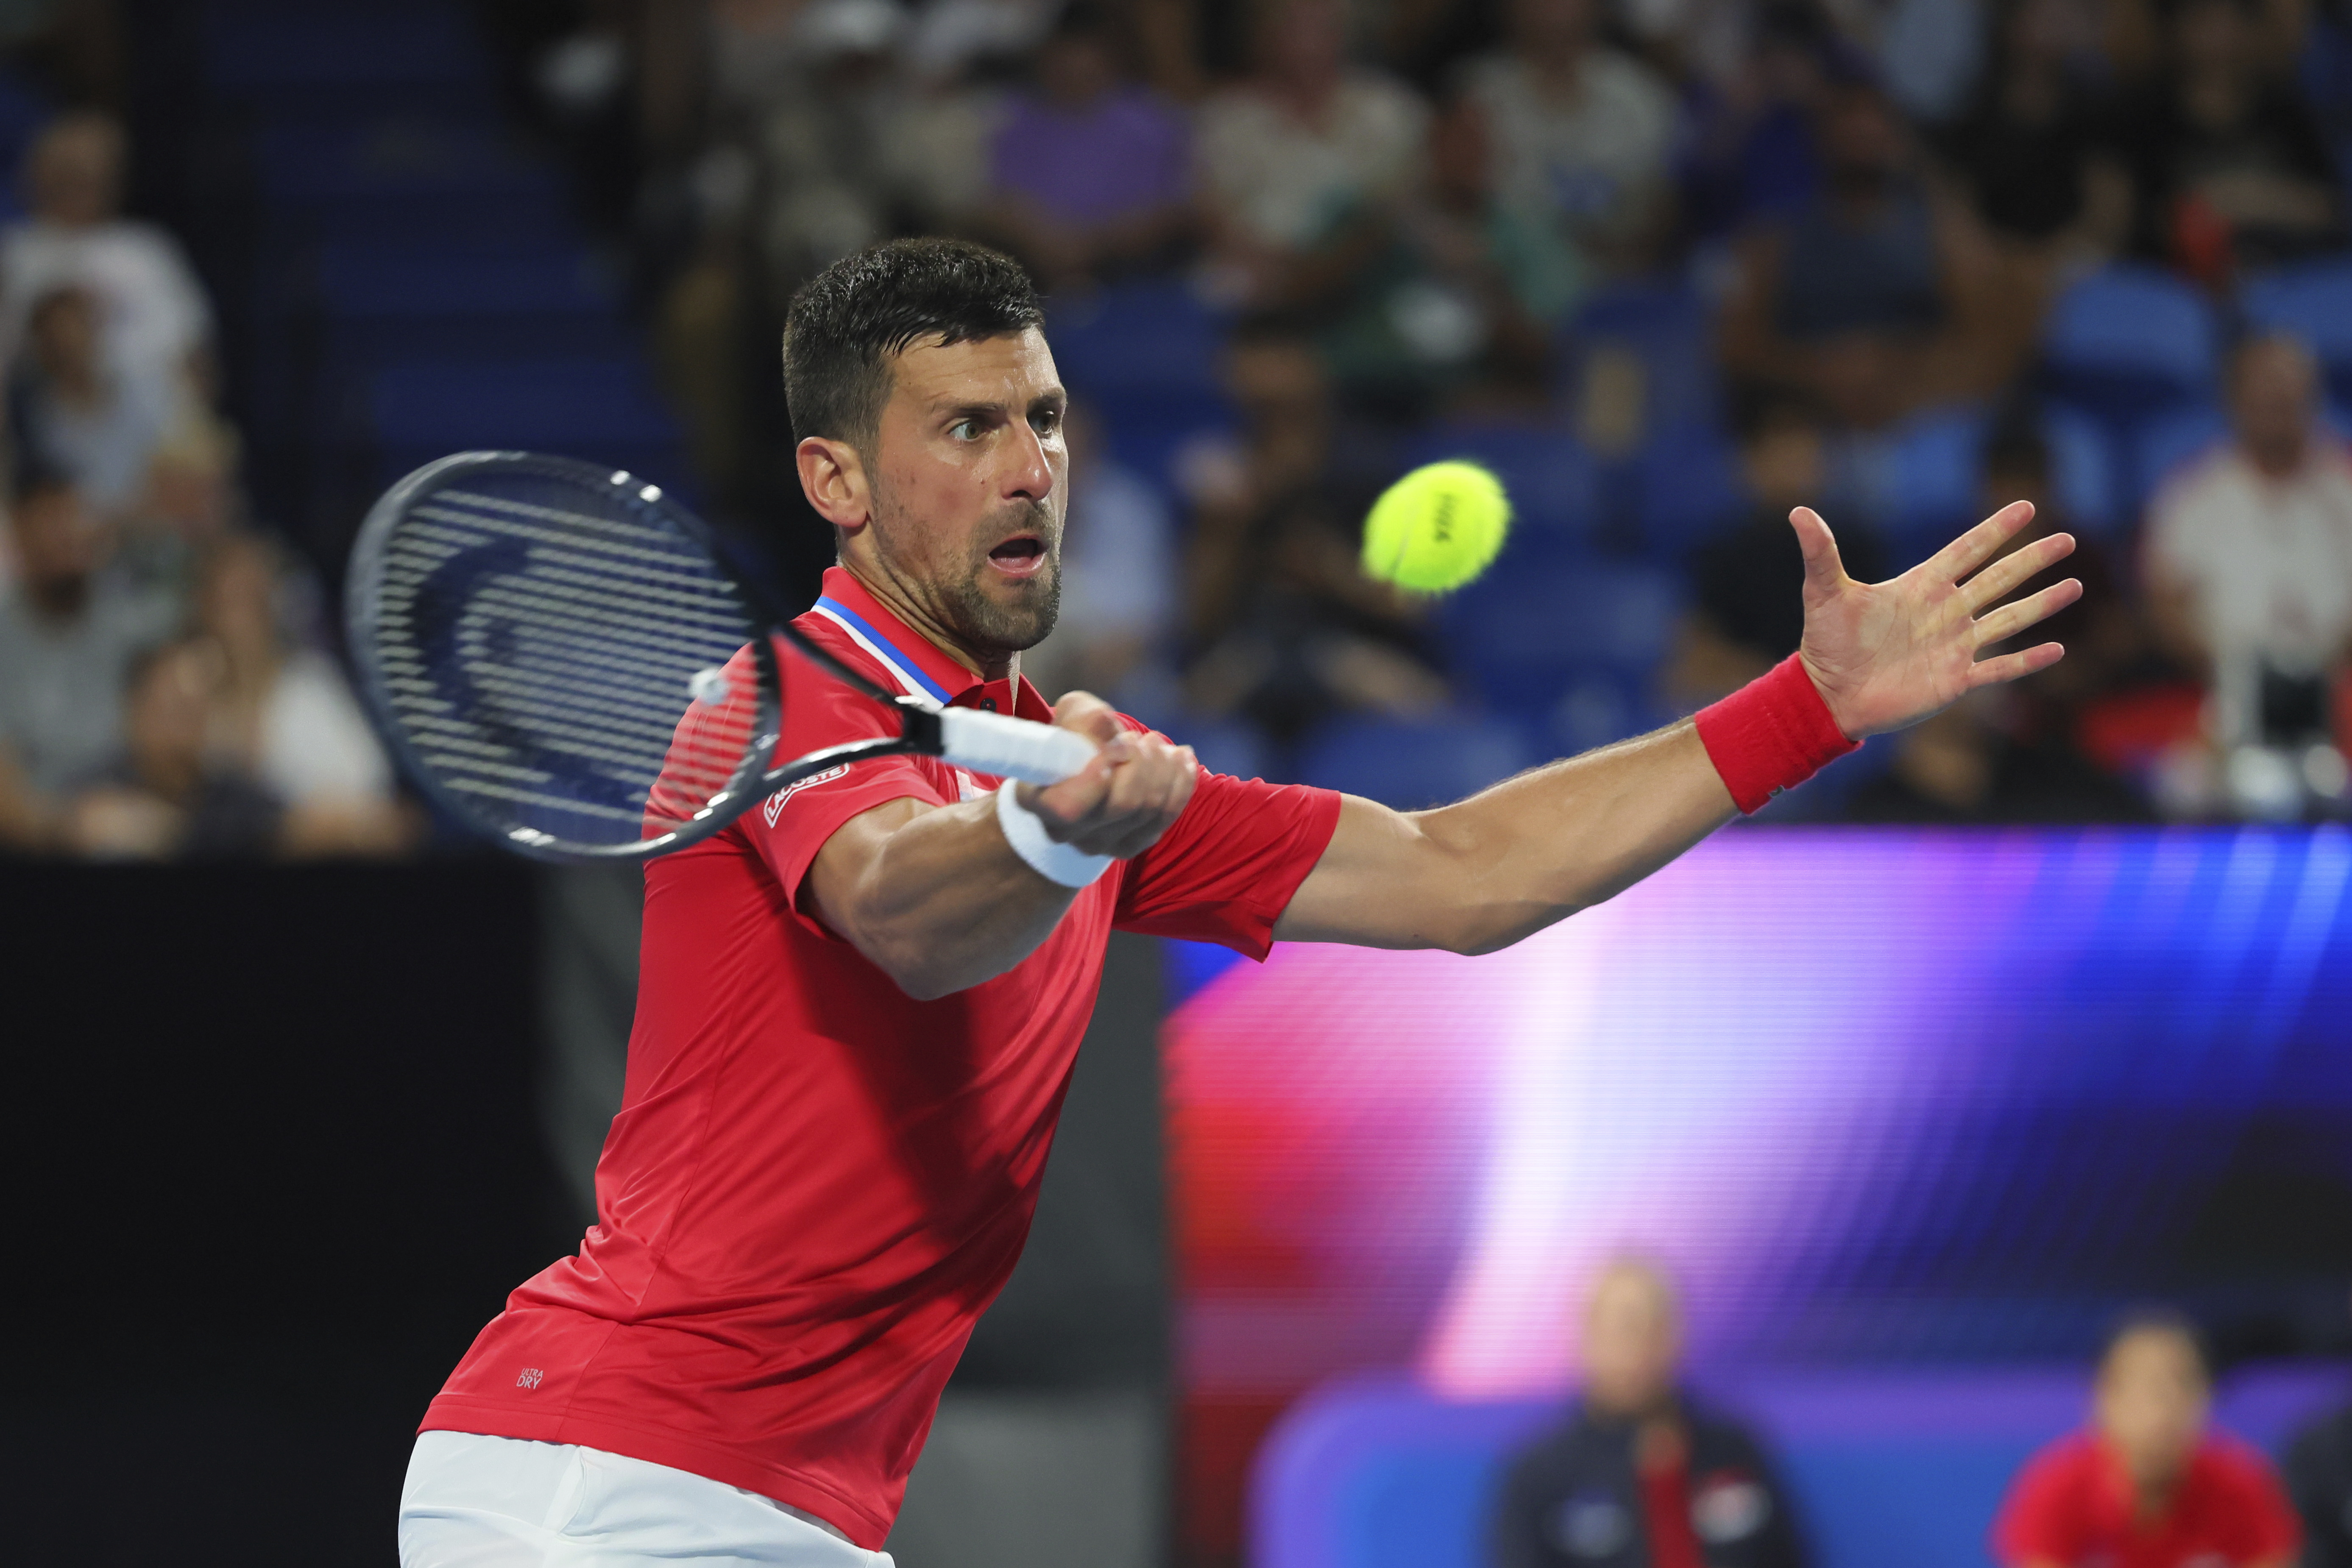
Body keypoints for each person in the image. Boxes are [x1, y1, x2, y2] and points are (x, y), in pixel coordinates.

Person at [395, 237, 2082, 1566]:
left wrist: (1803, 710)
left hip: (773, 1500)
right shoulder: (788, 708)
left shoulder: (1077, 766)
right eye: (966, 428)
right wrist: (1057, 843)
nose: (1026, 467)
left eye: (1044, 419)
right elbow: (906, 908)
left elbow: (1458, 875)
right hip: (608, 1478)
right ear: (837, 482)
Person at [1491, 1258, 1807, 1568]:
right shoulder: (1542, 1474)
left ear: (1677, 1334)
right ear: (1585, 1337)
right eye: (1619, 1329)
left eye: (1649, 1326)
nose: (1634, 1348)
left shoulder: (1734, 1452)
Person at [2144, 335, 2352, 756]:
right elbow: (2165, 605)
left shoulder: (2345, 487)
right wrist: (2229, 675)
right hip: (2223, 692)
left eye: (2287, 393)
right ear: (2233, 400)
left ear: (2311, 398)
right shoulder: (2192, 495)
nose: (2276, 404)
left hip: (2339, 689)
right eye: (2264, 394)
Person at [1993, 1310, 2300, 1568]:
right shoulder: (2053, 1484)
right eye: (2140, 1385)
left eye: (2181, 1383)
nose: (2162, 1406)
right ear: (2102, 1397)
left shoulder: (2241, 1481)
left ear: (2206, 1398)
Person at [1193, 0, 1428, 312]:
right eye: (1294, 24)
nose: (1309, 39)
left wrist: (1328, 266)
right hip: (1254, 281)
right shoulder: (1224, 120)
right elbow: (1210, 213)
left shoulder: (1391, 110)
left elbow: (1409, 203)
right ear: (1265, 34)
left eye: (1323, 26)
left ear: (1347, 35)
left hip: (1369, 277)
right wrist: (1276, 268)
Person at [189, 531, 410, 856]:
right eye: (227, 601)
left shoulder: (309, 688)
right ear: (203, 607)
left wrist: (288, 831)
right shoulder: (184, 688)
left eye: (254, 601)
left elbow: (383, 817)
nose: (240, 620)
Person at [0, 478, 178, 850]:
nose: (67, 534)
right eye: (50, 522)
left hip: (141, 831)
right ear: (19, 533)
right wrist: (70, 824)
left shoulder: (136, 621)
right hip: (34, 856)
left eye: (74, 517)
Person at [971, 1, 1194, 290]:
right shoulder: (1009, 119)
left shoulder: (1154, 123)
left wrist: (1095, 244)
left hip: (1129, 274)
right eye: (1064, 56)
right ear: (1046, 56)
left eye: (1087, 57)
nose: (1074, 68)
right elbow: (990, 201)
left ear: (1111, 59)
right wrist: (1044, 240)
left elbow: (1174, 209)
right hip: (1028, 271)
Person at [0, 112, 213, 409]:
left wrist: (191, 425)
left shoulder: (148, 250)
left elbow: (194, 354)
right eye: (69, 171)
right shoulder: (15, 252)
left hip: (151, 433)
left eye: (92, 171)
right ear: (38, 174)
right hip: (49, 426)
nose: (80, 183)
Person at [2120, 0, 2344, 282]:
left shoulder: (2287, 112)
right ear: (2174, 29)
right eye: (2203, 20)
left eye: (2235, 18)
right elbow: (2141, 224)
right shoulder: (2144, 118)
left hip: (2290, 280)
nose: (2221, 37)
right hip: (2175, 289)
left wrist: (2239, 199)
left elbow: (2328, 207)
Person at [1456, 0, 1680, 278]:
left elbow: (1663, 211)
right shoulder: (1476, 94)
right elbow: (1462, 214)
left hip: (1623, 284)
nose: (1554, 13)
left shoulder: (1642, 97)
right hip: (1509, 284)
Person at [61, 636, 284, 860]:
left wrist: (168, 830)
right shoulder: (96, 789)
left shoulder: (234, 797)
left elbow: (291, 829)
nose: (184, 727)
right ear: (134, 711)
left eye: (194, 710)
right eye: (172, 709)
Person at [10, 281, 176, 518]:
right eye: (56, 337)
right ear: (42, 345)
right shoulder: (34, 418)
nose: (69, 346)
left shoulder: (141, 393)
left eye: (77, 329)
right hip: (80, 531)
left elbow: (171, 460)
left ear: (95, 330)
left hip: (153, 519)